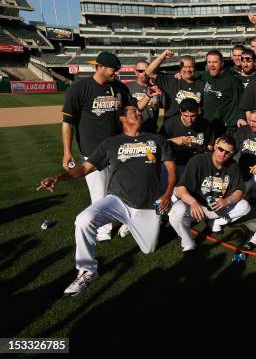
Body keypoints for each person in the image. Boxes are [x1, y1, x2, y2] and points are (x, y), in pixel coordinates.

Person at [39, 105, 176, 295]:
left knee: (149, 249)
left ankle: (135, 225)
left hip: (147, 204)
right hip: (117, 201)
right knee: (83, 220)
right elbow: (85, 168)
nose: (139, 113)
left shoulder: (156, 139)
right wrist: (59, 177)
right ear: (121, 118)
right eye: (134, 111)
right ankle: (87, 271)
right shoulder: (111, 143)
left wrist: (168, 193)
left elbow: (171, 170)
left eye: (139, 111)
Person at [62, 51, 156, 242]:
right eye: (114, 69)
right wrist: (66, 152)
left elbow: (134, 107)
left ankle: (128, 221)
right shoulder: (79, 88)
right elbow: (67, 123)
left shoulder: (119, 87)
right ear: (100, 67)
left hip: (118, 149)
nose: (116, 73)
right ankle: (102, 231)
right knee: (99, 193)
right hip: (92, 150)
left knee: (123, 189)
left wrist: (148, 95)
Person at [169, 136, 251, 246]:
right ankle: (187, 242)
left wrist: (227, 201)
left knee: (244, 206)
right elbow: (180, 188)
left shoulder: (233, 166)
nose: (222, 154)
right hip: (196, 204)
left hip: (217, 205)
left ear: (232, 154)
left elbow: (240, 190)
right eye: (221, 149)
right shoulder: (198, 160)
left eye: (227, 152)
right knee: (175, 212)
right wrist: (192, 202)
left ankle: (215, 222)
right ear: (215, 147)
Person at [158, 98, 213, 186]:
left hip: (197, 164)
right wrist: (173, 141)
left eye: (193, 116)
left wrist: (202, 149)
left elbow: (210, 147)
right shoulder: (170, 123)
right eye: (186, 116)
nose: (189, 120)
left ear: (198, 111)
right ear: (180, 112)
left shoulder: (205, 125)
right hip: (176, 163)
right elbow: (158, 145)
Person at [145, 51, 205, 121]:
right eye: (185, 67)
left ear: (195, 68)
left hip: (193, 126)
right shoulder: (172, 80)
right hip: (171, 126)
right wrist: (163, 56)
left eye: (190, 67)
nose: (188, 70)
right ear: (180, 68)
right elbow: (148, 72)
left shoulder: (201, 84)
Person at [199, 50, 244, 137]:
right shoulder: (204, 77)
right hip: (207, 126)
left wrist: (234, 122)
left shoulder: (232, 80)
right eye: (209, 62)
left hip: (225, 128)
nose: (212, 65)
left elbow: (241, 102)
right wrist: (179, 74)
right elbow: (190, 81)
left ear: (222, 63)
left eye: (215, 62)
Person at [126, 60, 159, 133]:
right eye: (141, 71)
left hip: (152, 131)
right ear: (136, 72)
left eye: (147, 70)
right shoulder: (126, 88)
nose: (144, 73)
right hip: (133, 131)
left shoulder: (157, 88)